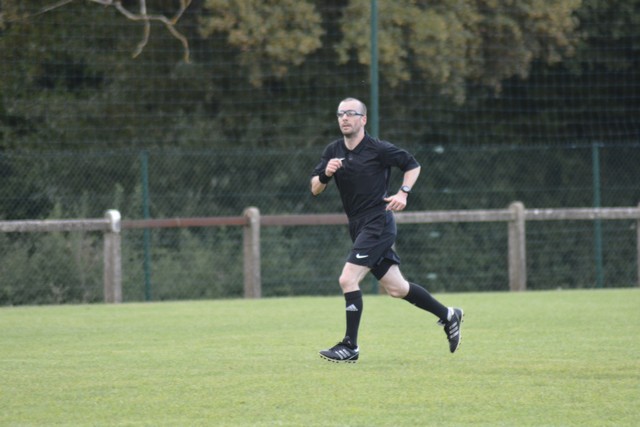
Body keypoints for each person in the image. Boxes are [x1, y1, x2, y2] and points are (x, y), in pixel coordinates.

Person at [310, 97, 464, 363]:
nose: (344, 118)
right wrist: (326, 173)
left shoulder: (378, 148)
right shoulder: (333, 150)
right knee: (397, 288)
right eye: (340, 114)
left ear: (363, 119)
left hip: (378, 222)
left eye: (351, 113)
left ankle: (350, 346)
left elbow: (413, 165)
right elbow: (315, 188)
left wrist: (403, 193)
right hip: (358, 225)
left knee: (347, 279)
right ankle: (449, 315)